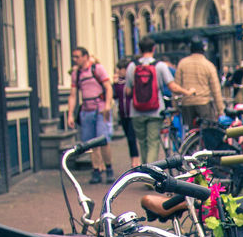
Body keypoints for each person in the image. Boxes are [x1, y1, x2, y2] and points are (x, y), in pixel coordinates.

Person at [124, 36, 175, 163]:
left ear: (139, 49)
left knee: (142, 142)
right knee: (153, 142)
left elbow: (128, 91)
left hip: (136, 111)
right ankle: (151, 175)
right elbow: (171, 86)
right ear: (154, 48)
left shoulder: (132, 66)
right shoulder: (160, 66)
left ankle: (145, 171)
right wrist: (187, 91)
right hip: (155, 110)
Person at [67, 46, 113, 183]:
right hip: (86, 110)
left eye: (77, 57)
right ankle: (96, 170)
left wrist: (107, 105)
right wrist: (70, 114)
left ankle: (109, 168)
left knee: (103, 140)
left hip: (100, 109)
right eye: (73, 57)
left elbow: (108, 87)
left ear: (85, 56)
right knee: (91, 144)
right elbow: (73, 95)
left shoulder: (97, 69)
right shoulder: (76, 74)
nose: (75, 60)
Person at [172, 38, 223, 137]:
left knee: (191, 131)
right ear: (203, 50)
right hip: (204, 103)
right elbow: (216, 90)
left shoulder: (182, 64)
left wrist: (175, 106)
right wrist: (220, 110)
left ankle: (191, 147)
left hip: (187, 103)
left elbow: (176, 87)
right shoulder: (208, 65)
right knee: (207, 131)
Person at [113, 63, 140, 168]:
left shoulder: (132, 82)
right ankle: (133, 158)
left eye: (122, 69)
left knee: (131, 137)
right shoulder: (117, 83)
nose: (120, 71)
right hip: (123, 113)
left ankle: (135, 160)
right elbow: (115, 96)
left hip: (132, 113)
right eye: (119, 69)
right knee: (128, 138)